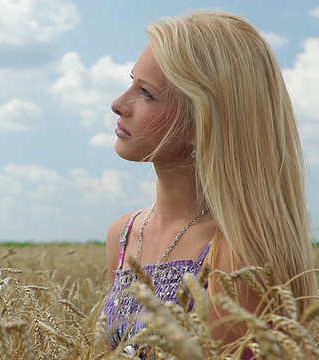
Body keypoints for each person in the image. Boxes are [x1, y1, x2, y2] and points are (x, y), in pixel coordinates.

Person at [102, 10, 318, 358]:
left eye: (146, 93)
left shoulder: (236, 255)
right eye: (131, 82)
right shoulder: (123, 236)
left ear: (201, 120)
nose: (118, 103)